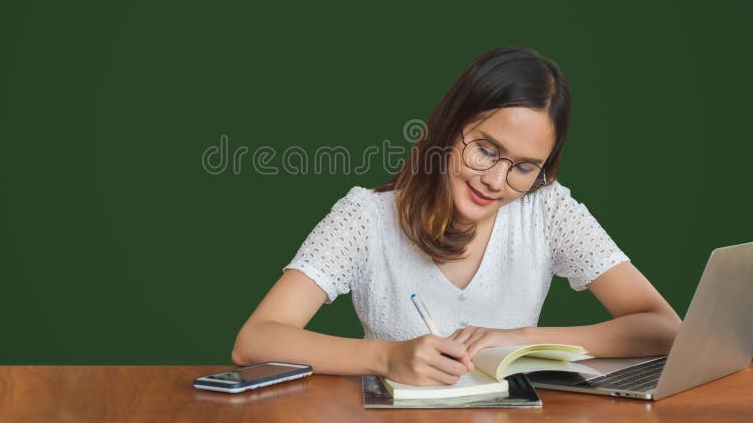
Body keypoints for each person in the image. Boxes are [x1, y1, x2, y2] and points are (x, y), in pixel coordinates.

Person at [232, 46, 681, 386]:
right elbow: (256, 341)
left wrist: (524, 338)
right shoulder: (365, 218)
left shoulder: (547, 210)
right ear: (449, 128)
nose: (496, 180)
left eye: (524, 167)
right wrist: (388, 358)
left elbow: (664, 329)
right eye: (486, 150)